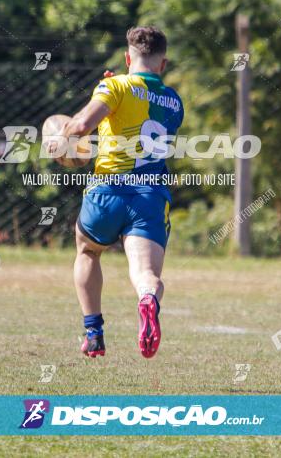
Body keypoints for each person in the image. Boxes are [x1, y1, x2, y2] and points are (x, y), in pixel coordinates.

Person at [48, 26, 183, 358]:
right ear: (162, 65)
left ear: (127, 58)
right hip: (150, 196)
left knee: (88, 252)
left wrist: (60, 138)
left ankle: (93, 334)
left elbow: (81, 126)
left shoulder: (114, 85)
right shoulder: (175, 102)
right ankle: (148, 301)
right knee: (145, 275)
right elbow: (140, 111)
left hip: (107, 192)